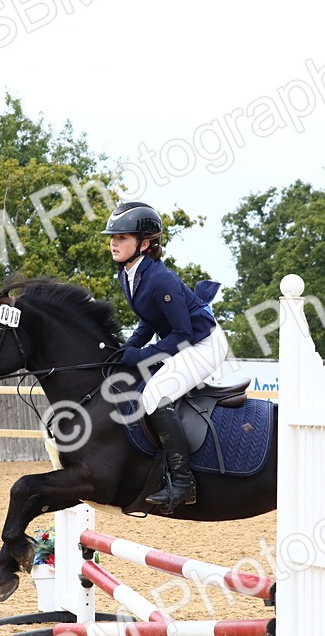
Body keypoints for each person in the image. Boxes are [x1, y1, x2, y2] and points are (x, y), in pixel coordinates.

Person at [102, 201, 227, 511]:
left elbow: (183, 334)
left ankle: (184, 483)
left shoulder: (161, 279)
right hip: (185, 340)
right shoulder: (128, 274)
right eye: (113, 237)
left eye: (122, 238)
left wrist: (143, 355)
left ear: (144, 244)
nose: (114, 243)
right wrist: (128, 347)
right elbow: (150, 319)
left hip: (203, 344)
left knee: (156, 396)